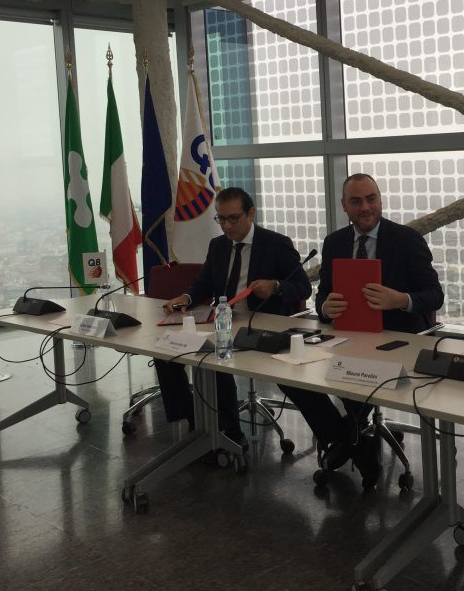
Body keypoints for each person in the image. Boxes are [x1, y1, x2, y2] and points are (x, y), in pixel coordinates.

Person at [282, 173, 444, 487]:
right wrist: (325, 307)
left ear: (380, 200)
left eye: (371, 199)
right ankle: (350, 440)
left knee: (355, 377)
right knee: (294, 378)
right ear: (344, 205)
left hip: (398, 341)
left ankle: (350, 442)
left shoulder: (406, 239)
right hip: (346, 338)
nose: (365, 207)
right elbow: (323, 295)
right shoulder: (335, 242)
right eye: (356, 201)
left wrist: (401, 300)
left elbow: (435, 295)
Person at [156, 187, 312, 447]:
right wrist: (186, 297)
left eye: (233, 218)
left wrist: (276, 286)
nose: (227, 226)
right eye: (221, 218)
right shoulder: (218, 245)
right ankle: (198, 421)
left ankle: (229, 432)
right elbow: (203, 284)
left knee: (216, 357)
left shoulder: (276, 244)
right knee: (166, 355)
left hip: (260, 325)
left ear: (250, 214)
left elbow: (303, 287)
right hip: (223, 321)